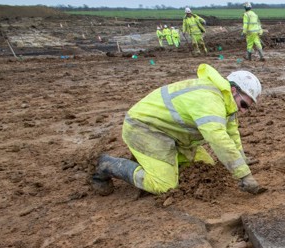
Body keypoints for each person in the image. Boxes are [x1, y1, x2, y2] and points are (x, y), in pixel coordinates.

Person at [91, 65, 264, 197]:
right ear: (233, 90)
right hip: (145, 129)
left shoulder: (228, 103)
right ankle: (108, 165)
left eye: (247, 108)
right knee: (164, 185)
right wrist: (244, 175)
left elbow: (231, 133)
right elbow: (219, 139)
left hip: (174, 135)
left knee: (206, 168)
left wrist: (242, 158)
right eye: (243, 105)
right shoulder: (210, 100)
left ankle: (153, 162)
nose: (243, 111)